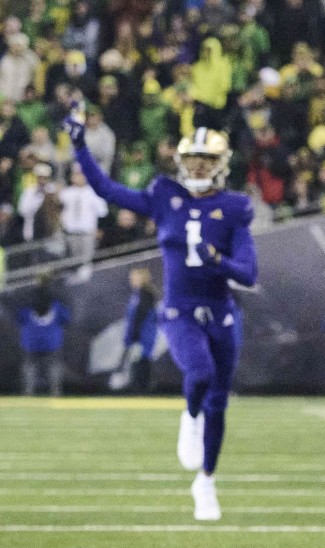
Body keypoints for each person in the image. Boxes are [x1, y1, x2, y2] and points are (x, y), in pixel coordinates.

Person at [66, 110, 258, 522]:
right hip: (179, 309)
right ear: (182, 163)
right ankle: (189, 416)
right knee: (201, 373)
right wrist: (80, 147)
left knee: (220, 403)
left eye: (207, 161)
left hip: (222, 312)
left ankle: (206, 481)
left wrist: (218, 260)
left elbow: (249, 271)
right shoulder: (163, 195)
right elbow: (107, 189)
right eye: (193, 160)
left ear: (220, 166)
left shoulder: (234, 207)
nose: (198, 167)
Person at [19, 274, 70, 396]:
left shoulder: (28, 299)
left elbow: (20, 317)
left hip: (31, 340)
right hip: (52, 340)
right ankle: (55, 391)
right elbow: (66, 318)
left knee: (30, 364)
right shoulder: (57, 300)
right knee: (54, 364)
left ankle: (28, 392)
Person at [117, 268, 159, 393]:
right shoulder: (138, 294)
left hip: (143, 335)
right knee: (137, 361)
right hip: (139, 334)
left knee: (141, 362)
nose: (131, 280)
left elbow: (140, 316)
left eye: (134, 277)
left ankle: (142, 390)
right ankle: (140, 388)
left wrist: (134, 335)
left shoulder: (145, 295)